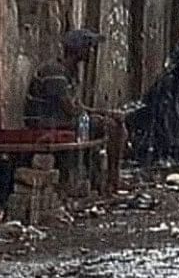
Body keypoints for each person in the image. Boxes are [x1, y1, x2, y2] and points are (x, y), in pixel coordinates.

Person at [24, 28, 129, 189]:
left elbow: (77, 107)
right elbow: (71, 109)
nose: (92, 52)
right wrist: (104, 114)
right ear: (78, 50)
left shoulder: (68, 73)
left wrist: (106, 113)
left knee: (114, 125)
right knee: (111, 127)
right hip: (46, 123)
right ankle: (111, 180)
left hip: (59, 120)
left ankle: (109, 178)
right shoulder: (54, 72)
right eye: (89, 48)